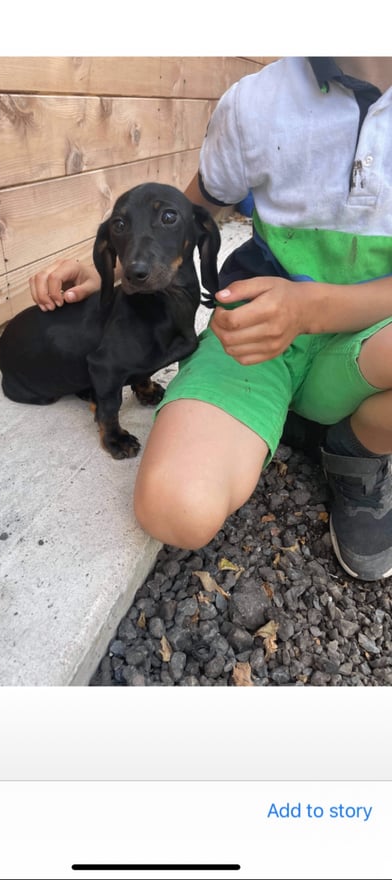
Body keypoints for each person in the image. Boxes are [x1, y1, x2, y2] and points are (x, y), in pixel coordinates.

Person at [29, 57, 392, 582]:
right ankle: (289, 411)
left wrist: (315, 308)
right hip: (254, 334)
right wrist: (108, 269)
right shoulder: (253, 102)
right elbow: (190, 207)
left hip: (372, 335)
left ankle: (357, 449)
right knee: (175, 506)